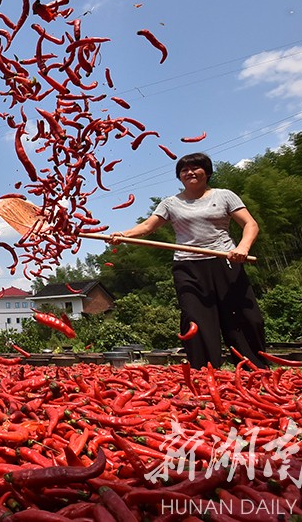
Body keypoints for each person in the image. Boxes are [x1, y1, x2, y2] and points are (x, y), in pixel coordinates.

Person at [110, 152, 268, 369]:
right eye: (184, 170)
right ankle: (204, 371)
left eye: (195, 168)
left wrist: (242, 247)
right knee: (196, 318)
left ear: (208, 172)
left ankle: (255, 369)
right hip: (188, 265)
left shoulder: (224, 196)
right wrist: (124, 234)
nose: (190, 172)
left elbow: (250, 224)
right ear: (179, 176)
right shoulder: (170, 203)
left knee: (242, 315)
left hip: (225, 260)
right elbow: (147, 227)